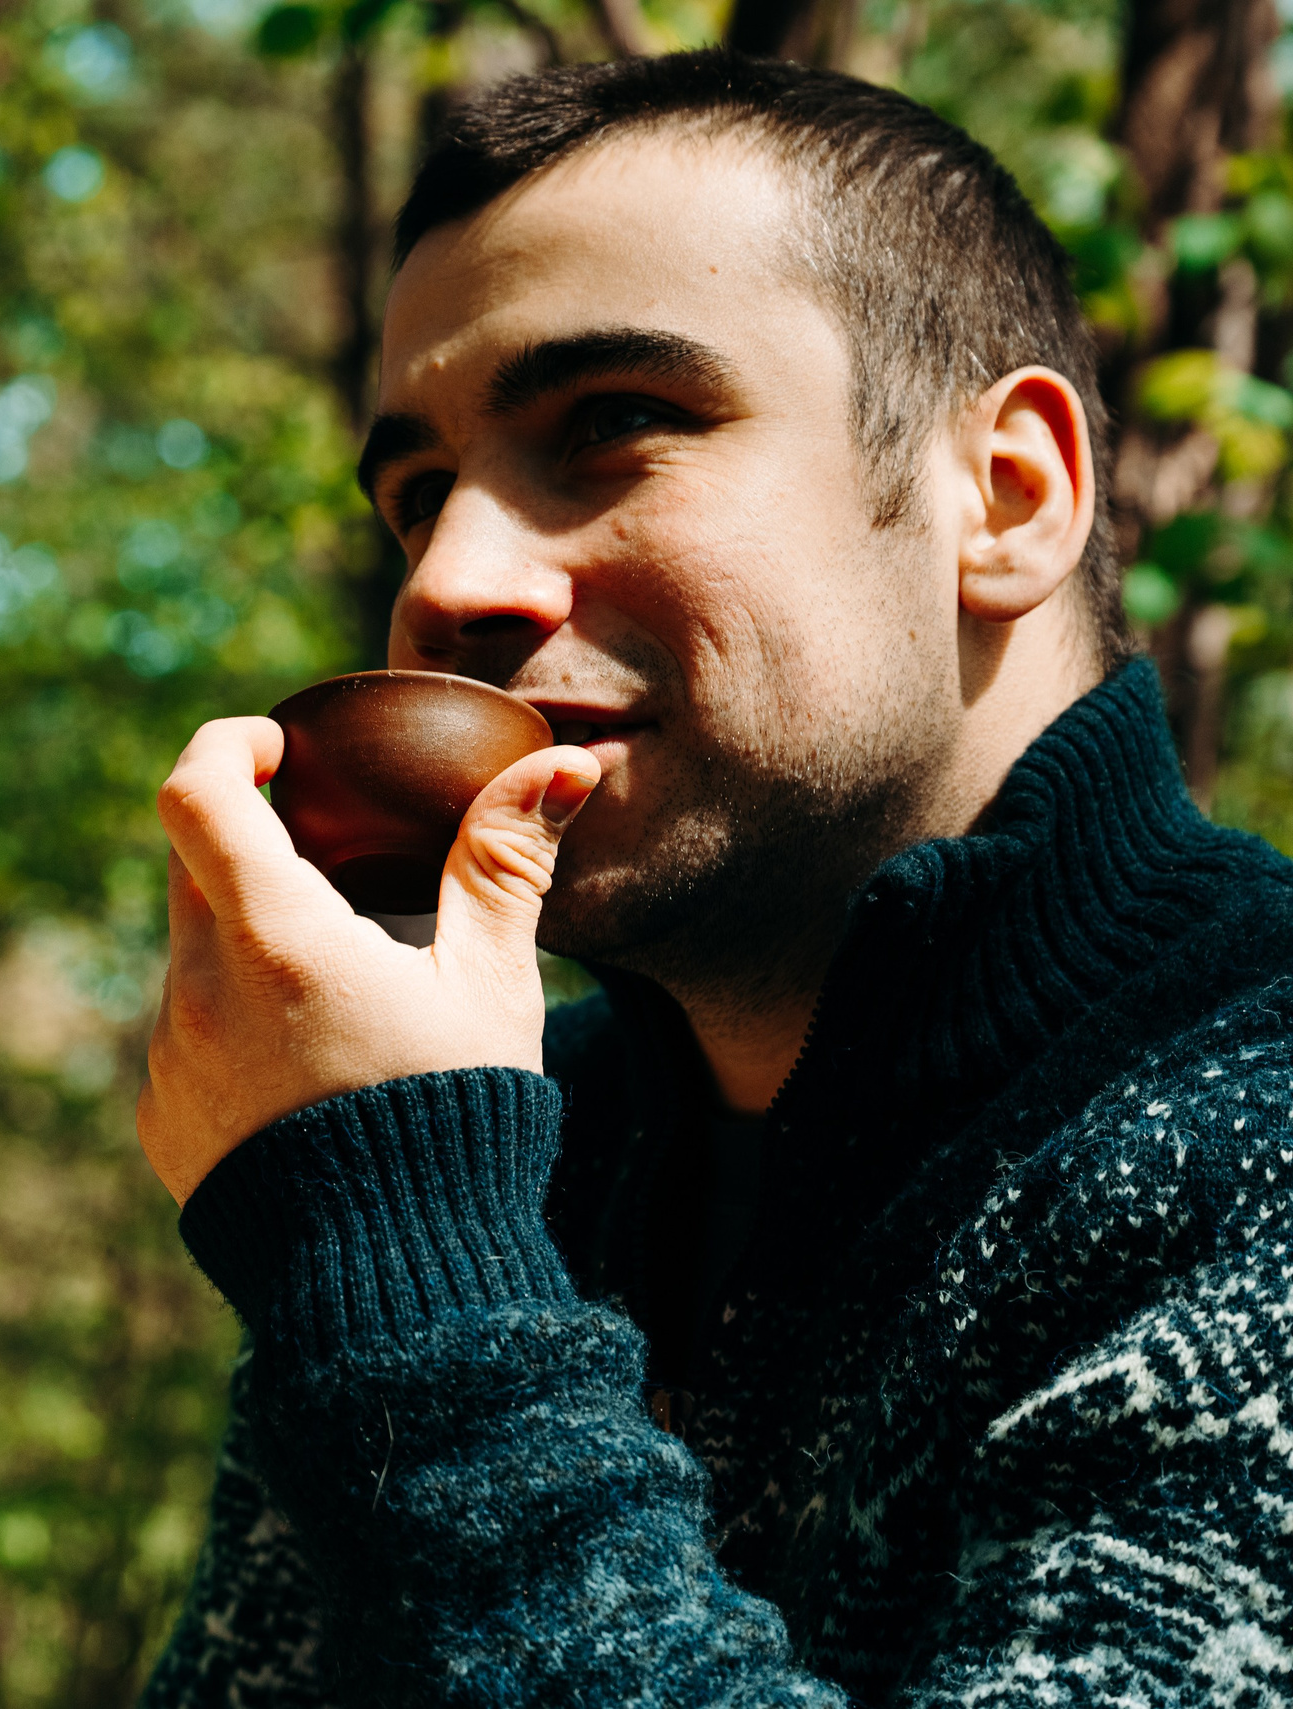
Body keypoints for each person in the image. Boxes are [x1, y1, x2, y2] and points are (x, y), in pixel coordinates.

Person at [137, 51, 1293, 1708]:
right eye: (416, 495)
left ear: (1007, 496)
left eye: (612, 423)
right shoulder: (500, 1152)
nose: (446, 579)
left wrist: (425, 1287)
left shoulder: (1255, 1131)